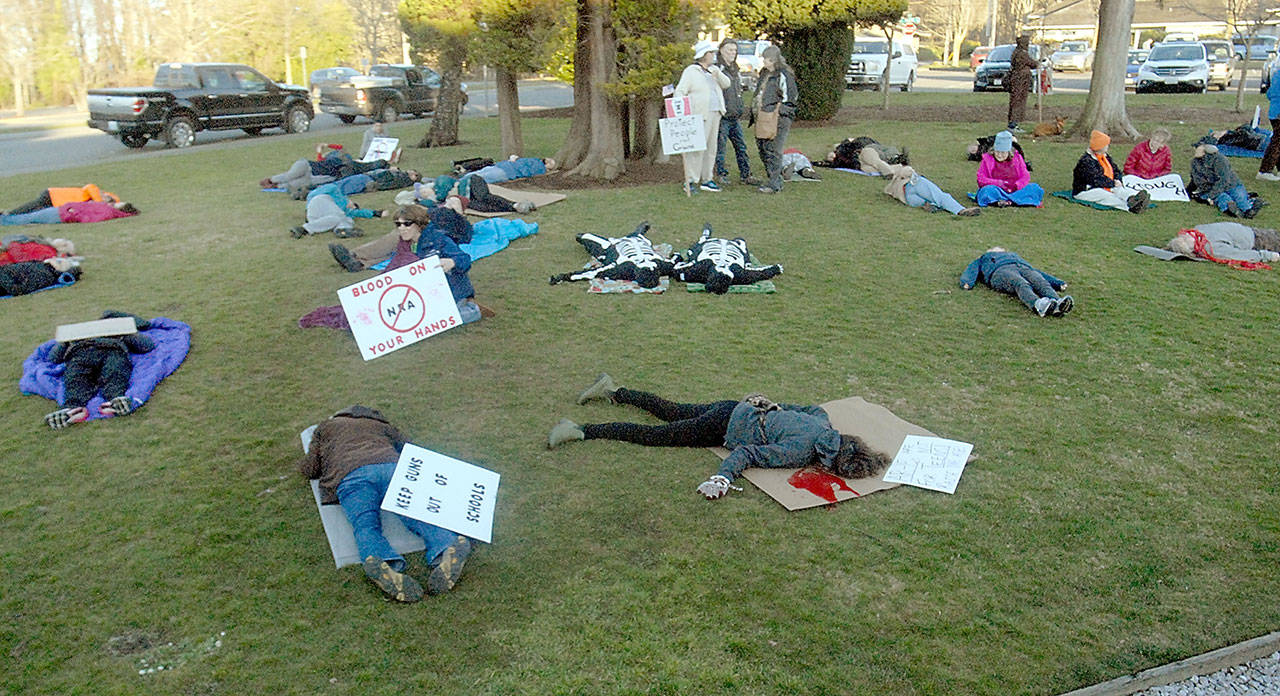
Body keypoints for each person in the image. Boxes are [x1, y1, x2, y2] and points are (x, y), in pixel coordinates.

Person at [546, 374, 891, 500]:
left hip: (733, 407)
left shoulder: (825, 424)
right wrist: (721, 479)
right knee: (655, 435)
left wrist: (773, 407)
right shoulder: (800, 452)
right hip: (722, 427)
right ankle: (581, 430)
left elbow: (810, 408)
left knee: (671, 409)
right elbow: (748, 454)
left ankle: (614, 390)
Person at [299, 405, 474, 602]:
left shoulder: (326, 428)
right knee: (414, 512)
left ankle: (381, 561)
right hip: (392, 468)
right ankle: (446, 545)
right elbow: (411, 449)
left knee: (365, 525)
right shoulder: (380, 425)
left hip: (351, 475)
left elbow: (311, 468)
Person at [43, 311, 151, 429]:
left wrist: (129, 332)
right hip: (81, 352)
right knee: (76, 378)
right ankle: (71, 409)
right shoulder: (76, 333)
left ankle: (115, 399)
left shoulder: (119, 331)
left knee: (114, 372)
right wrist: (64, 341)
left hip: (110, 350)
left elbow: (146, 345)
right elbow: (53, 358)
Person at [329, 197, 471, 273]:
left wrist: (458, 215)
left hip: (425, 231)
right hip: (418, 228)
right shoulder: (436, 209)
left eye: (455, 202)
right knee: (398, 247)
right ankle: (359, 263)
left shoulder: (460, 222)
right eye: (449, 200)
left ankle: (354, 255)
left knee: (395, 239)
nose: (450, 203)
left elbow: (465, 239)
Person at [675, 40, 731, 193]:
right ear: (704, 55)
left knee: (711, 148)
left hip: (715, 112)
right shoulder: (691, 71)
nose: (713, 55)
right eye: (711, 53)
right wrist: (682, 112)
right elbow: (680, 91)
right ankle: (691, 179)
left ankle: (708, 178)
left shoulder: (714, 70)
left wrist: (717, 74)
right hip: (699, 114)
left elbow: (726, 84)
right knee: (697, 148)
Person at [548, 222, 675, 289]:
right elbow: (676, 261)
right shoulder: (662, 265)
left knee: (583, 237)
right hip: (638, 241)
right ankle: (639, 231)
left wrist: (565, 277)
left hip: (610, 246)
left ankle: (639, 231)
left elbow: (594, 272)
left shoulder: (624, 268)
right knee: (637, 237)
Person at [960, 247, 1072, 317]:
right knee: (1020, 283)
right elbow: (972, 269)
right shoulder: (984, 258)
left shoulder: (1013, 256)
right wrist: (967, 282)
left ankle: (1058, 302)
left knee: (1040, 281)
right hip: (1000, 271)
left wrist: (1057, 283)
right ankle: (1038, 305)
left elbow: (1038, 272)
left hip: (1022, 267)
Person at [672, 224, 783, 293]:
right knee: (741, 242)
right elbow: (759, 273)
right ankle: (738, 241)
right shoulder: (738, 273)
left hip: (710, 245)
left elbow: (677, 271)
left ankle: (705, 237)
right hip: (734, 248)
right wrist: (775, 269)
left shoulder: (701, 268)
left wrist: (676, 258)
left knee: (693, 251)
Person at [713, 39, 760, 187]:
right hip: (723, 116)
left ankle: (745, 174)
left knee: (741, 146)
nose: (732, 53)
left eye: (734, 50)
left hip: (735, 115)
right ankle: (720, 174)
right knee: (720, 148)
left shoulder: (735, 68)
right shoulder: (717, 69)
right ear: (721, 50)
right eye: (729, 50)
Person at [752, 45, 798, 194]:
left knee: (774, 150)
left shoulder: (783, 75)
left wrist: (778, 112)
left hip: (778, 118)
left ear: (773, 60)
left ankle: (774, 184)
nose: (764, 62)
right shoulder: (765, 74)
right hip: (763, 117)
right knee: (763, 148)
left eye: (766, 59)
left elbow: (790, 99)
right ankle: (774, 178)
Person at [1072, 130, 1150, 213]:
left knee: (1119, 190)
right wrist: (1112, 183)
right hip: (1086, 190)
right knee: (1106, 195)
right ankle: (1129, 207)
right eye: (1106, 145)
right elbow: (1096, 179)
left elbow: (1116, 170)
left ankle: (1132, 199)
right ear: (1100, 146)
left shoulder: (1105, 157)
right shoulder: (1086, 162)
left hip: (1106, 185)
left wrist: (1117, 180)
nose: (1108, 146)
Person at [1189, 138, 1260, 218]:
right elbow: (1195, 179)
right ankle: (1233, 211)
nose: (1195, 149)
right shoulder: (1195, 162)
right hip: (1212, 188)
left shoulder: (1220, 160)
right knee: (1223, 198)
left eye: (1198, 147)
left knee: (1240, 199)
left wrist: (1211, 195)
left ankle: (1248, 209)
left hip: (1231, 185)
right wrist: (1188, 191)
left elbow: (1224, 180)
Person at [291, 183, 387, 239]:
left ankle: (342, 230)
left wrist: (376, 213)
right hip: (318, 204)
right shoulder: (335, 190)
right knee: (342, 217)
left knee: (344, 219)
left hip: (320, 218)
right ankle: (306, 229)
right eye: (353, 205)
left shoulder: (347, 212)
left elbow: (360, 212)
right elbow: (312, 195)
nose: (352, 207)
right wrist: (307, 209)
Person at [974, 130, 1043, 207]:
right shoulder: (987, 159)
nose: (999, 155)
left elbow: (1025, 175)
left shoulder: (1017, 158)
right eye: (997, 152)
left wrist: (1017, 185)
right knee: (987, 191)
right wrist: (999, 183)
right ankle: (1013, 201)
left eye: (1003, 153)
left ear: (1009, 152)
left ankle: (1006, 201)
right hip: (998, 190)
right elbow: (981, 178)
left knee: (1035, 188)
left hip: (1016, 190)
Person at [884, 163, 981, 216]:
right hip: (912, 185)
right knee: (940, 196)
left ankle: (929, 205)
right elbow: (905, 171)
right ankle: (960, 210)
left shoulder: (891, 183)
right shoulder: (903, 172)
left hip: (908, 199)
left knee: (930, 199)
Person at [1166, 223, 1280, 266]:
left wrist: (1267, 256)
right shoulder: (1197, 229)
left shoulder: (1210, 248)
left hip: (1258, 241)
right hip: (1252, 232)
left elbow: (1237, 255)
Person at [4, 184, 119, 216]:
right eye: (108, 199)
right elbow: (90, 186)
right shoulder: (93, 191)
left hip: (56, 203)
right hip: (53, 195)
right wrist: (101, 201)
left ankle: (12, 215)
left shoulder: (92, 200)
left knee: (35, 212)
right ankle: (10, 214)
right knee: (34, 206)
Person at [2, 200, 139, 226]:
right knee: (30, 216)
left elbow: (89, 218)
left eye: (118, 204)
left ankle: (3, 220)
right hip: (62, 211)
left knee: (28, 218)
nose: (114, 203)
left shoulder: (108, 212)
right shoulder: (107, 208)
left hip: (62, 214)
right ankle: (4, 218)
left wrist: (73, 213)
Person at [820, 136, 908, 175]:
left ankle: (893, 164)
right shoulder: (841, 158)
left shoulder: (846, 146)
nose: (831, 157)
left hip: (869, 149)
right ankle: (897, 165)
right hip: (864, 156)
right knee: (869, 168)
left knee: (877, 158)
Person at [0, 257, 80, 297]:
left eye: (58, 261)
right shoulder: (47, 273)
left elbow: (17, 290)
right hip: (39, 273)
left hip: (37, 274)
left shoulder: (3, 273)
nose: (54, 257)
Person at [1007, 36, 1036, 133]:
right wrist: (1038, 62)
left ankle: (1014, 123)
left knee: (1017, 101)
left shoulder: (1017, 52)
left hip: (1019, 80)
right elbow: (1032, 63)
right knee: (1017, 101)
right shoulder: (1021, 54)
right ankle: (1013, 124)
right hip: (1020, 80)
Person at [1258, 74, 1280, 181]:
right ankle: (1265, 170)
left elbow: (1269, 93)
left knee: (1277, 141)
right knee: (1277, 143)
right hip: (1278, 113)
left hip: (1274, 112)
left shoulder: (1277, 74)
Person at [0, 237, 75, 265]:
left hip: (7, 257)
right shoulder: (45, 245)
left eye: (65, 243)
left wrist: (11, 245)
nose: (61, 239)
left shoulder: (48, 253)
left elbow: (22, 259)